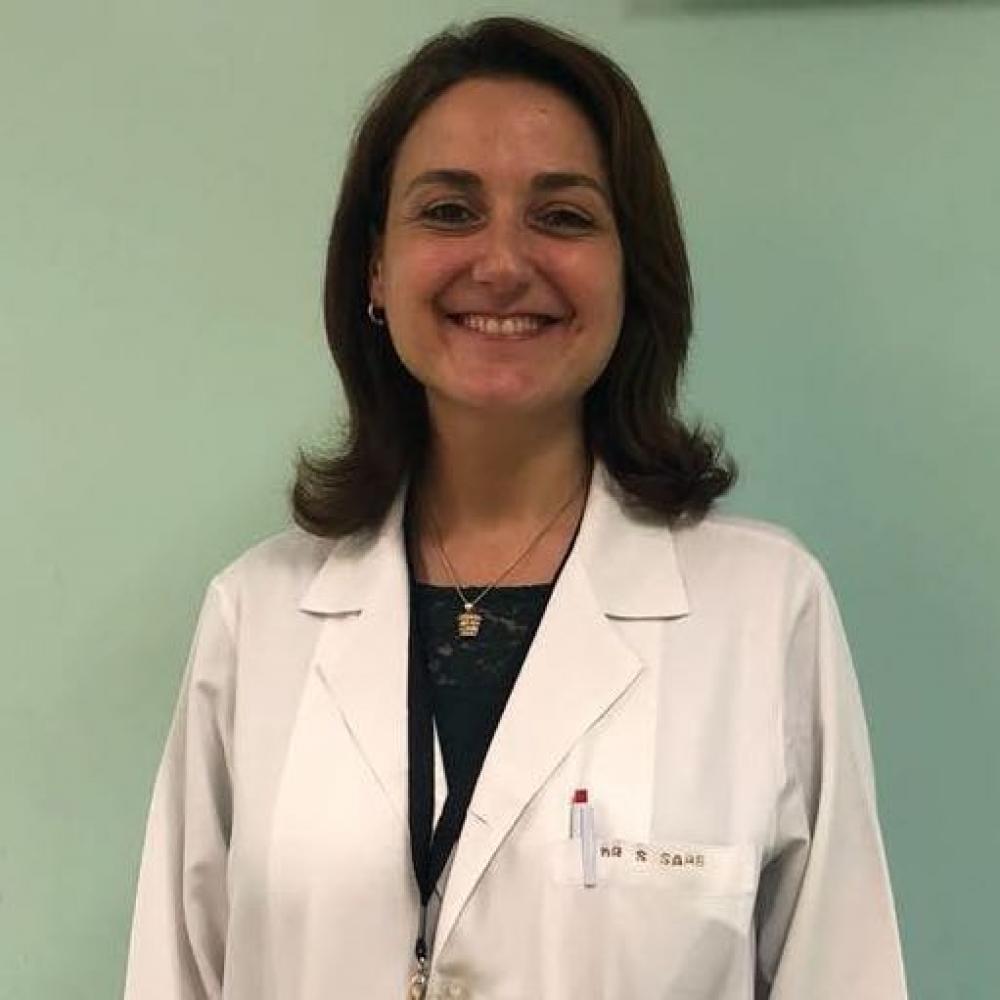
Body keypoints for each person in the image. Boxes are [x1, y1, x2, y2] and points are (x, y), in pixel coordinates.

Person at [123, 15, 908, 1000]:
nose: (501, 262)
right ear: (376, 267)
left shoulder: (761, 609)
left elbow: (842, 974)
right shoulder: (259, 613)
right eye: (448, 210)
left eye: (563, 216)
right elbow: (173, 974)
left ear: (631, 272)